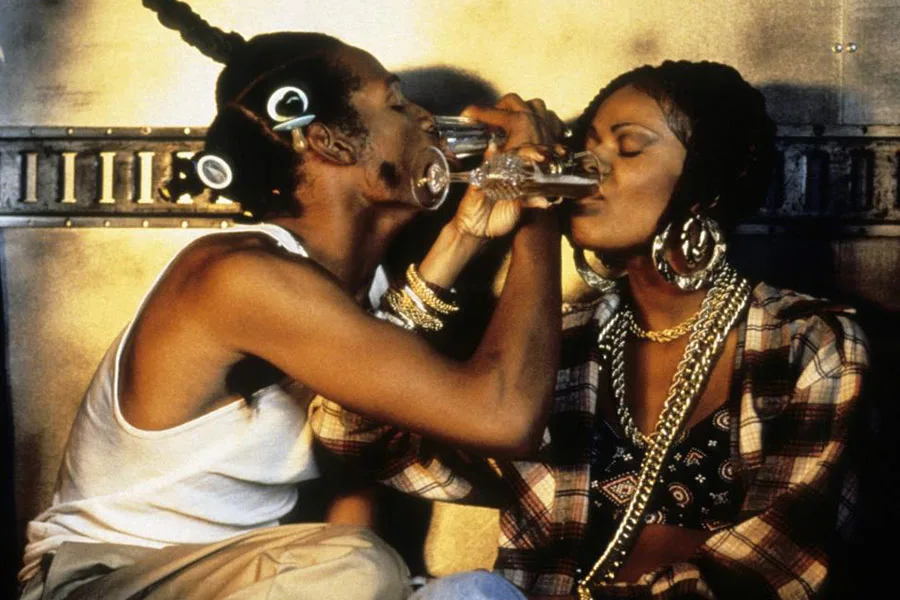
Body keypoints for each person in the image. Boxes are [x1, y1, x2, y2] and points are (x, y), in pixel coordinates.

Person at [18, 1, 567, 599]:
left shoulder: (359, 289)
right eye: (396, 103)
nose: (426, 120)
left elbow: (353, 477)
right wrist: (540, 201)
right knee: (358, 567)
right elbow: (505, 419)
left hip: (255, 576)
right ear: (330, 142)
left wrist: (471, 230)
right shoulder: (242, 278)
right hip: (104, 582)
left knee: (477, 594)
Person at [311, 60, 869, 599]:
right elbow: (354, 432)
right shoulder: (559, 346)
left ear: (705, 184)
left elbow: (777, 570)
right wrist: (462, 238)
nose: (590, 166)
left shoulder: (807, 343)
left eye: (628, 147)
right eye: (587, 145)